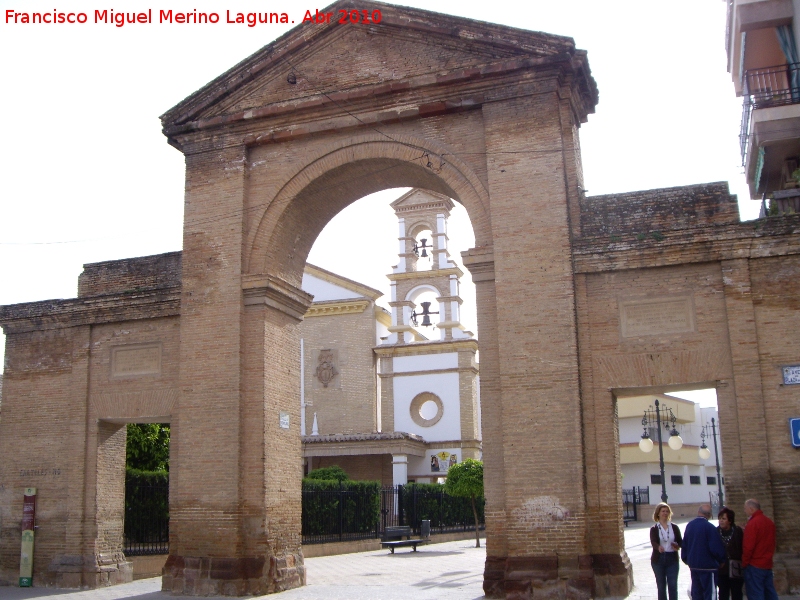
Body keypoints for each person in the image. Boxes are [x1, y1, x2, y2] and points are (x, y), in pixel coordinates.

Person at [681, 504, 727, 600]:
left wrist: (687, 559)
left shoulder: (690, 526)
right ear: (709, 515)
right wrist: (722, 560)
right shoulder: (710, 528)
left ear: (699, 512)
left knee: (697, 593)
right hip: (708, 566)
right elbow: (715, 548)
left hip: (694, 565)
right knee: (709, 594)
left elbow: (685, 545)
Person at [742, 499, 778, 600]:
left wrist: (744, 563)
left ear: (751, 509)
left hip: (754, 564)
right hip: (767, 563)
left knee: (756, 594)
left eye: (745, 509)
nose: (745, 511)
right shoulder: (769, 522)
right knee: (770, 593)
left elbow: (748, 547)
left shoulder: (753, 524)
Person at [650, 502, 682, 600]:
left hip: (672, 558)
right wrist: (658, 547)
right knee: (661, 586)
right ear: (658, 513)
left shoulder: (674, 527)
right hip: (658, 559)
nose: (665, 513)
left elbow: (680, 541)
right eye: (663, 511)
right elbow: (653, 542)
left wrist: (677, 546)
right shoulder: (654, 528)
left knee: (672, 585)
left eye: (667, 511)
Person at [717, 506, 744, 600]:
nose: (721, 521)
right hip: (722, 568)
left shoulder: (737, 531)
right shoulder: (716, 532)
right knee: (723, 593)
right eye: (720, 518)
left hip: (736, 567)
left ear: (730, 520)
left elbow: (742, 547)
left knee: (736, 593)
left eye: (723, 518)